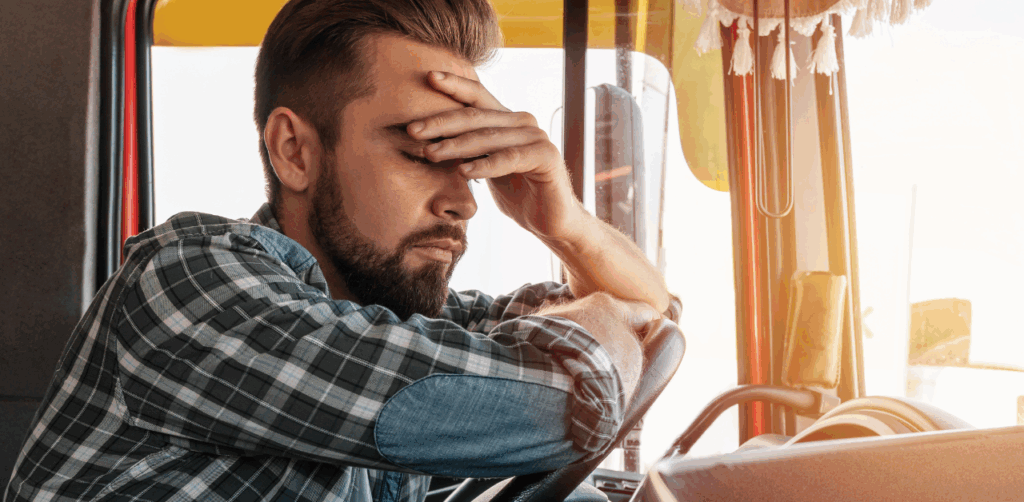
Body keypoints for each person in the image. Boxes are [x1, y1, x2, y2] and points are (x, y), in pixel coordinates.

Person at [4, 0, 676, 500]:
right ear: (295, 151)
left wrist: (565, 223)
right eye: (424, 152)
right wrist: (589, 341)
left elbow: (648, 326)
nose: (465, 200)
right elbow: (557, 403)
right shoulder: (187, 286)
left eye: (472, 159)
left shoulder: (381, 316)